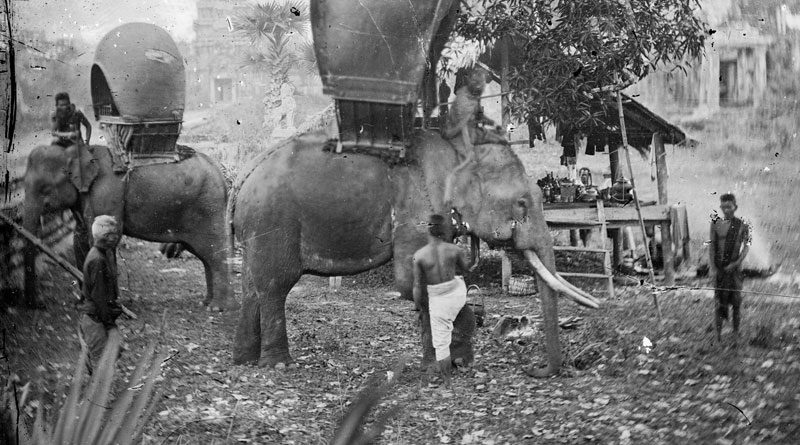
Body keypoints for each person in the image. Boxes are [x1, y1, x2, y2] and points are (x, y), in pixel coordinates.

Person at [412, 214, 470, 386]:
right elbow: (466, 269)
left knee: (441, 344)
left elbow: (417, 286)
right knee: (459, 284)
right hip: (457, 293)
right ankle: (459, 349)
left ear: (428, 231)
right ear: (444, 231)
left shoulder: (419, 255)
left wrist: (419, 308)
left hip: (439, 299)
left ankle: (447, 383)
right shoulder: (454, 250)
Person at [77, 215, 123, 373]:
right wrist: (109, 324)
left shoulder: (99, 254)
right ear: (105, 237)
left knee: (110, 357)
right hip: (95, 319)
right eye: (113, 234)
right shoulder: (98, 260)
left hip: (95, 317)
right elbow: (99, 297)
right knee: (102, 367)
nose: (116, 238)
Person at [709, 193, 752, 342]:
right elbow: (712, 247)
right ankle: (718, 336)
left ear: (735, 207)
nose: (726, 210)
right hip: (720, 269)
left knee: (736, 302)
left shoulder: (743, 224)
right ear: (720, 207)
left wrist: (737, 262)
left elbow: (747, 246)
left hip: (735, 270)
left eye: (729, 207)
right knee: (719, 303)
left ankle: (735, 333)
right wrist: (713, 268)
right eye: (723, 207)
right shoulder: (715, 223)